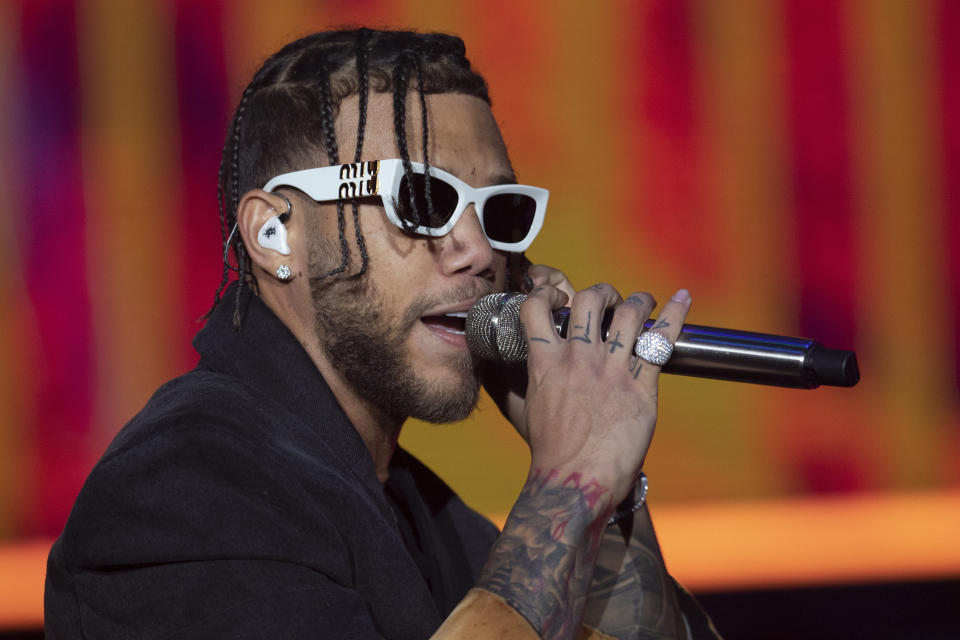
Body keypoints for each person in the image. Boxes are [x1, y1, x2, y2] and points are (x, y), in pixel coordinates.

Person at [44, 28, 719, 639]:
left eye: (500, 210)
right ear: (276, 234)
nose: (479, 251)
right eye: (423, 199)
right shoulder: (184, 490)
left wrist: (609, 485)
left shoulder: (422, 515)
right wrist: (571, 480)